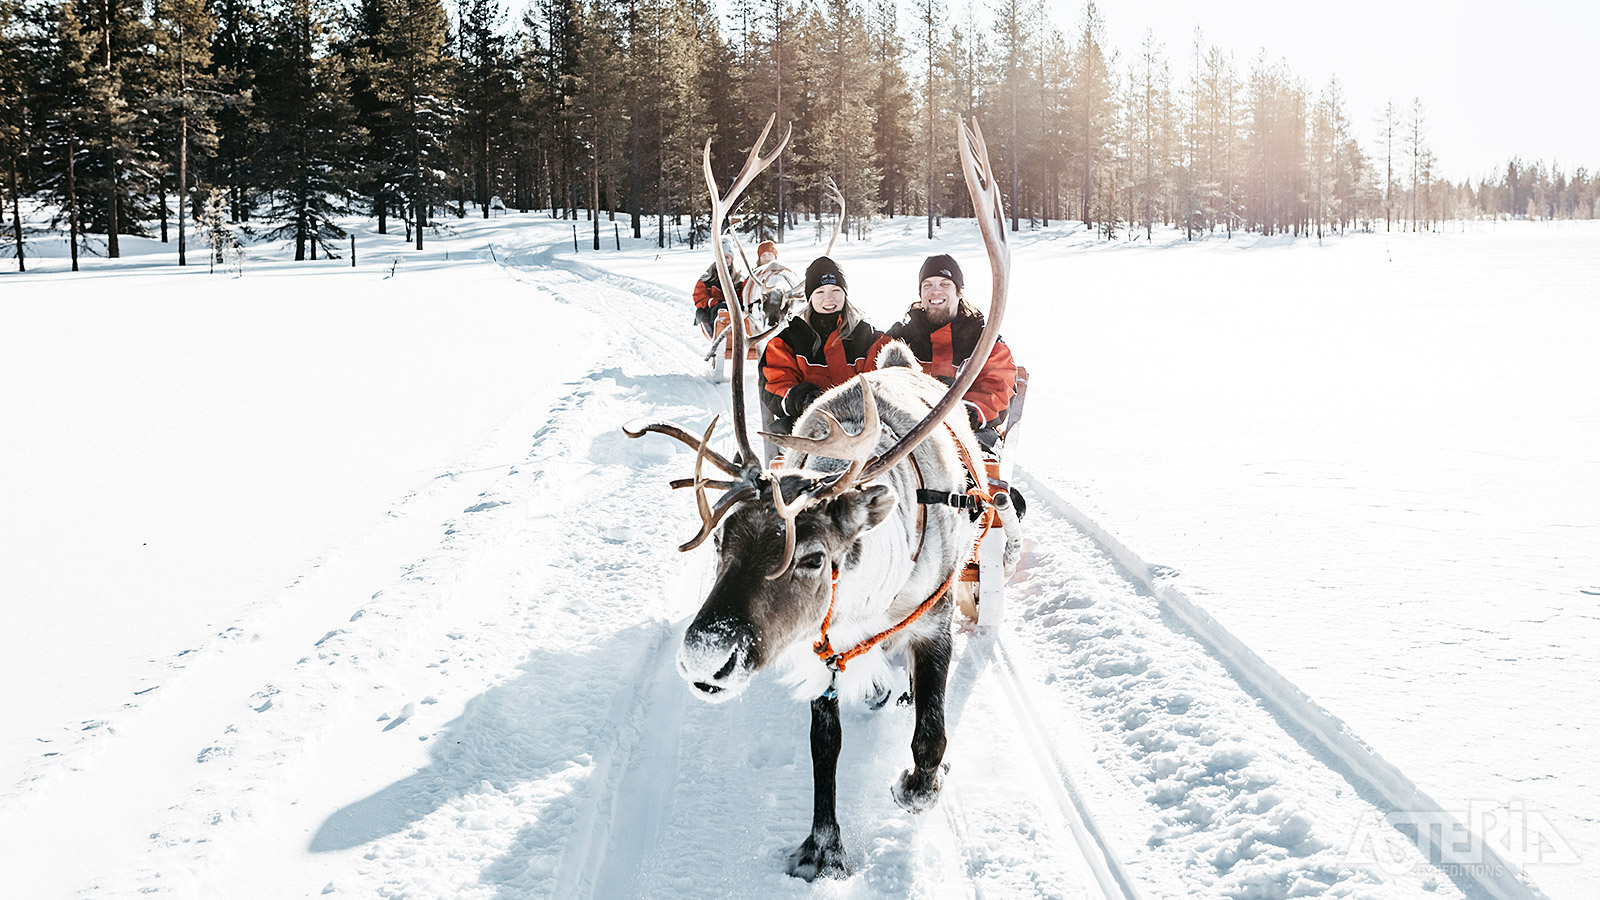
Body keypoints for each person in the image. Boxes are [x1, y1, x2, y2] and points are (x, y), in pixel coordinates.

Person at [887, 254, 1018, 453]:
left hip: (970, 432)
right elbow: (880, 381)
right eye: (928, 285)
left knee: (967, 453)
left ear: (959, 292)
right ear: (921, 293)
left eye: (944, 284)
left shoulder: (984, 340)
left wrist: (963, 413)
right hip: (909, 430)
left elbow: (998, 389)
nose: (935, 290)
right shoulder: (901, 337)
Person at [760, 256, 892, 436]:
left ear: (845, 294)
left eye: (835, 290)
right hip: (813, 434)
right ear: (810, 298)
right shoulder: (788, 342)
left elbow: (886, 380)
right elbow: (776, 385)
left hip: (863, 432)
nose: (828, 298)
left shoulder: (867, 337)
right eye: (820, 292)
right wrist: (802, 399)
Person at [692, 242, 747, 338]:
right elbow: (699, 298)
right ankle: (720, 338)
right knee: (721, 309)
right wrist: (715, 302)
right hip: (712, 311)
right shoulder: (707, 279)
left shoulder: (739, 278)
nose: (724, 260)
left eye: (727, 257)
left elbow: (744, 296)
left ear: (732, 259)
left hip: (734, 310)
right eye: (721, 256)